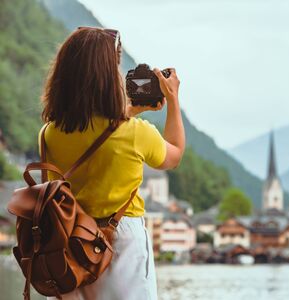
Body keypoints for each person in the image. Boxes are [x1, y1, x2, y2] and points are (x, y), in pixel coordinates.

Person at [41, 27, 185, 300]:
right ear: (109, 75)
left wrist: (128, 112)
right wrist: (173, 99)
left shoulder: (49, 132)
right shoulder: (135, 133)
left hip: (66, 242)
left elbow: (96, 134)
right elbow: (174, 154)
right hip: (120, 240)